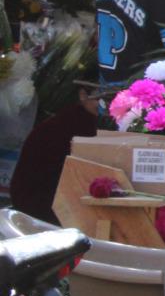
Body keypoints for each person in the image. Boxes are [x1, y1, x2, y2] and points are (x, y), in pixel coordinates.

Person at [10, 82, 102, 224]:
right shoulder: (64, 126)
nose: (105, 105)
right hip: (49, 213)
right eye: (100, 98)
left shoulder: (87, 123)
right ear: (83, 95)